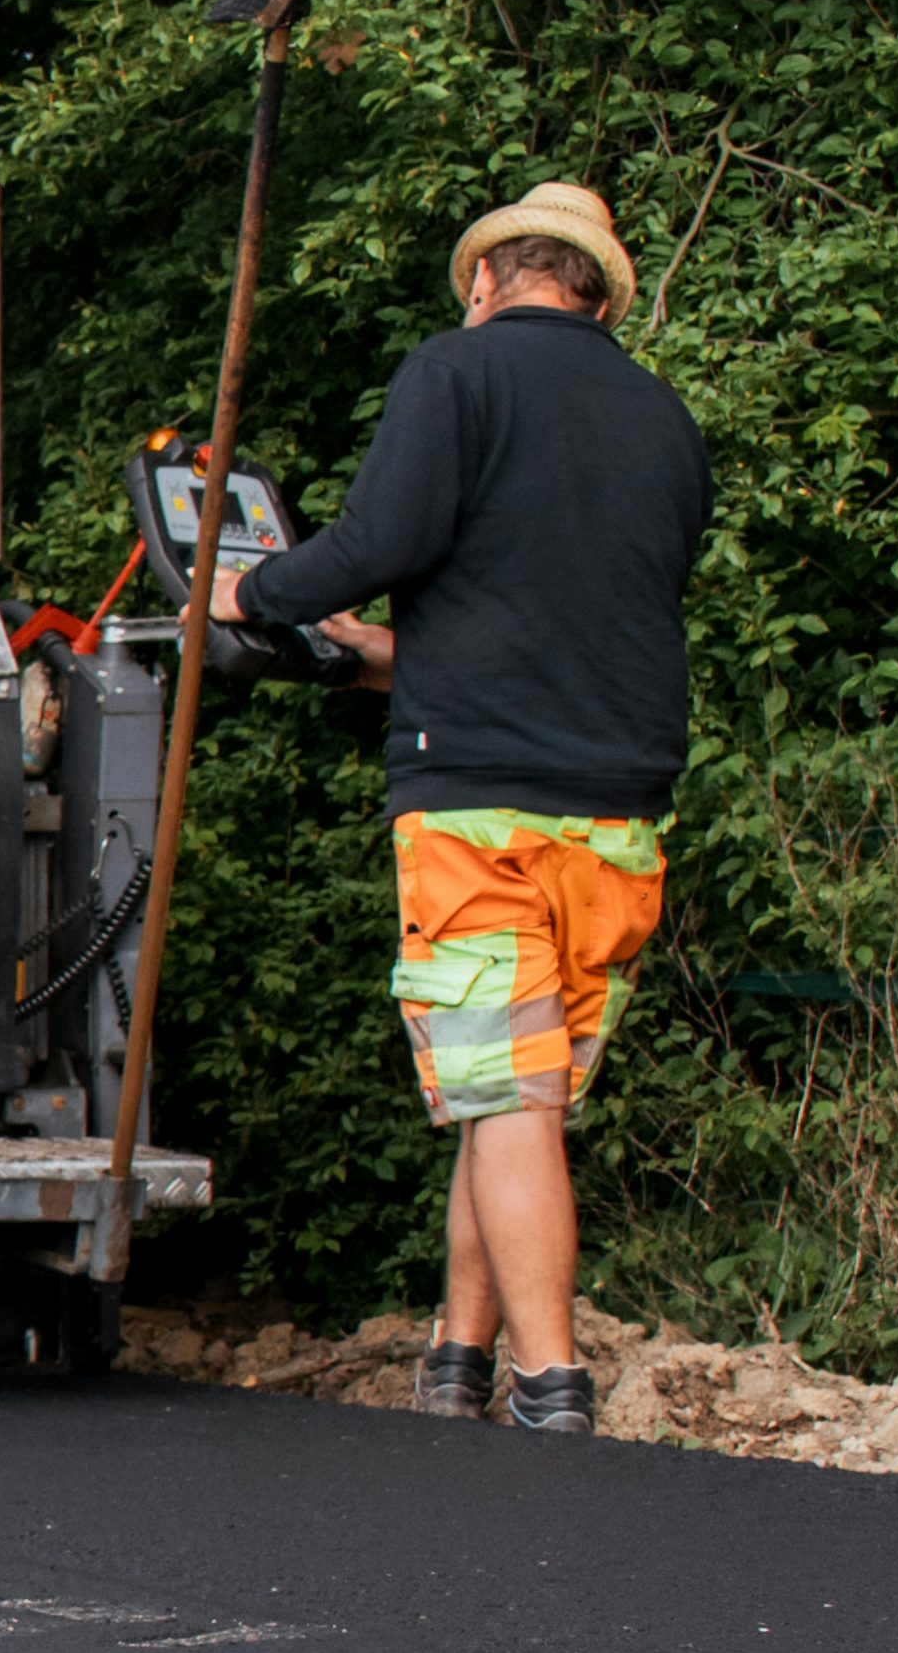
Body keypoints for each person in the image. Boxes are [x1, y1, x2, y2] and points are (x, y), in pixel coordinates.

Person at [215, 181, 706, 1435]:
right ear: (598, 293)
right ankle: (457, 1356)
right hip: (618, 819)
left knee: (506, 1100)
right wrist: (380, 653)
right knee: (517, 1098)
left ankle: (554, 1384)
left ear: (489, 280)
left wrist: (252, 596)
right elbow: (552, 612)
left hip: (479, 810)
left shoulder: (457, 373)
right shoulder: (665, 421)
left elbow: (376, 537)